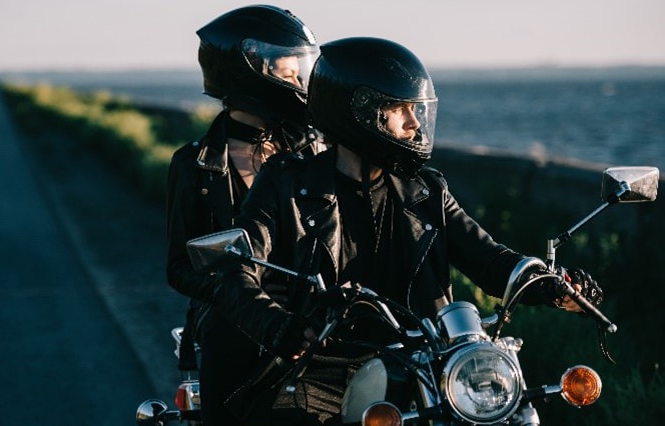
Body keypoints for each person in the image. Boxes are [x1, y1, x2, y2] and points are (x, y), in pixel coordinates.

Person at [211, 37, 604, 425]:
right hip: (323, 366)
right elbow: (235, 268)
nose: (415, 124)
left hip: (425, 363)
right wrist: (277, 323)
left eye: (416, 110)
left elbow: (490, 260)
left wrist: (551, 285)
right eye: (401, 110)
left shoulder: (427, 191)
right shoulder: (286, 183)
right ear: (360, 111)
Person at [165, 5, 324, 425]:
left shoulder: (312, 154)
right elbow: (179, 266)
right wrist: (232, 292)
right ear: (251, 71)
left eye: (300, 72)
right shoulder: (195, 164)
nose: (300, 83)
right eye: (289, 74)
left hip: (308, 321)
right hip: (234, 325)